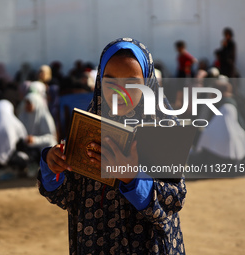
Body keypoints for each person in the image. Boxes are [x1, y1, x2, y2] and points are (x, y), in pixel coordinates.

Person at [38, 38, 186, 254]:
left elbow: (174, 199)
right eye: (110, 81)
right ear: (99, 82)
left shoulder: (164, 129)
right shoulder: (88, 127)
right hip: (94, 243)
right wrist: (52, 167)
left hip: (148, 246)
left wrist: (132, 179)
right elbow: (68, 195)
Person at [17, 92, 57, 162]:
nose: (27, 106)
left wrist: (35, 140)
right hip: (28, 148)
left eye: (29, 103)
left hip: (41, 148)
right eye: (26, 103)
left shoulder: (45, 117)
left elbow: (51, 137)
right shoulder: (23, 115)